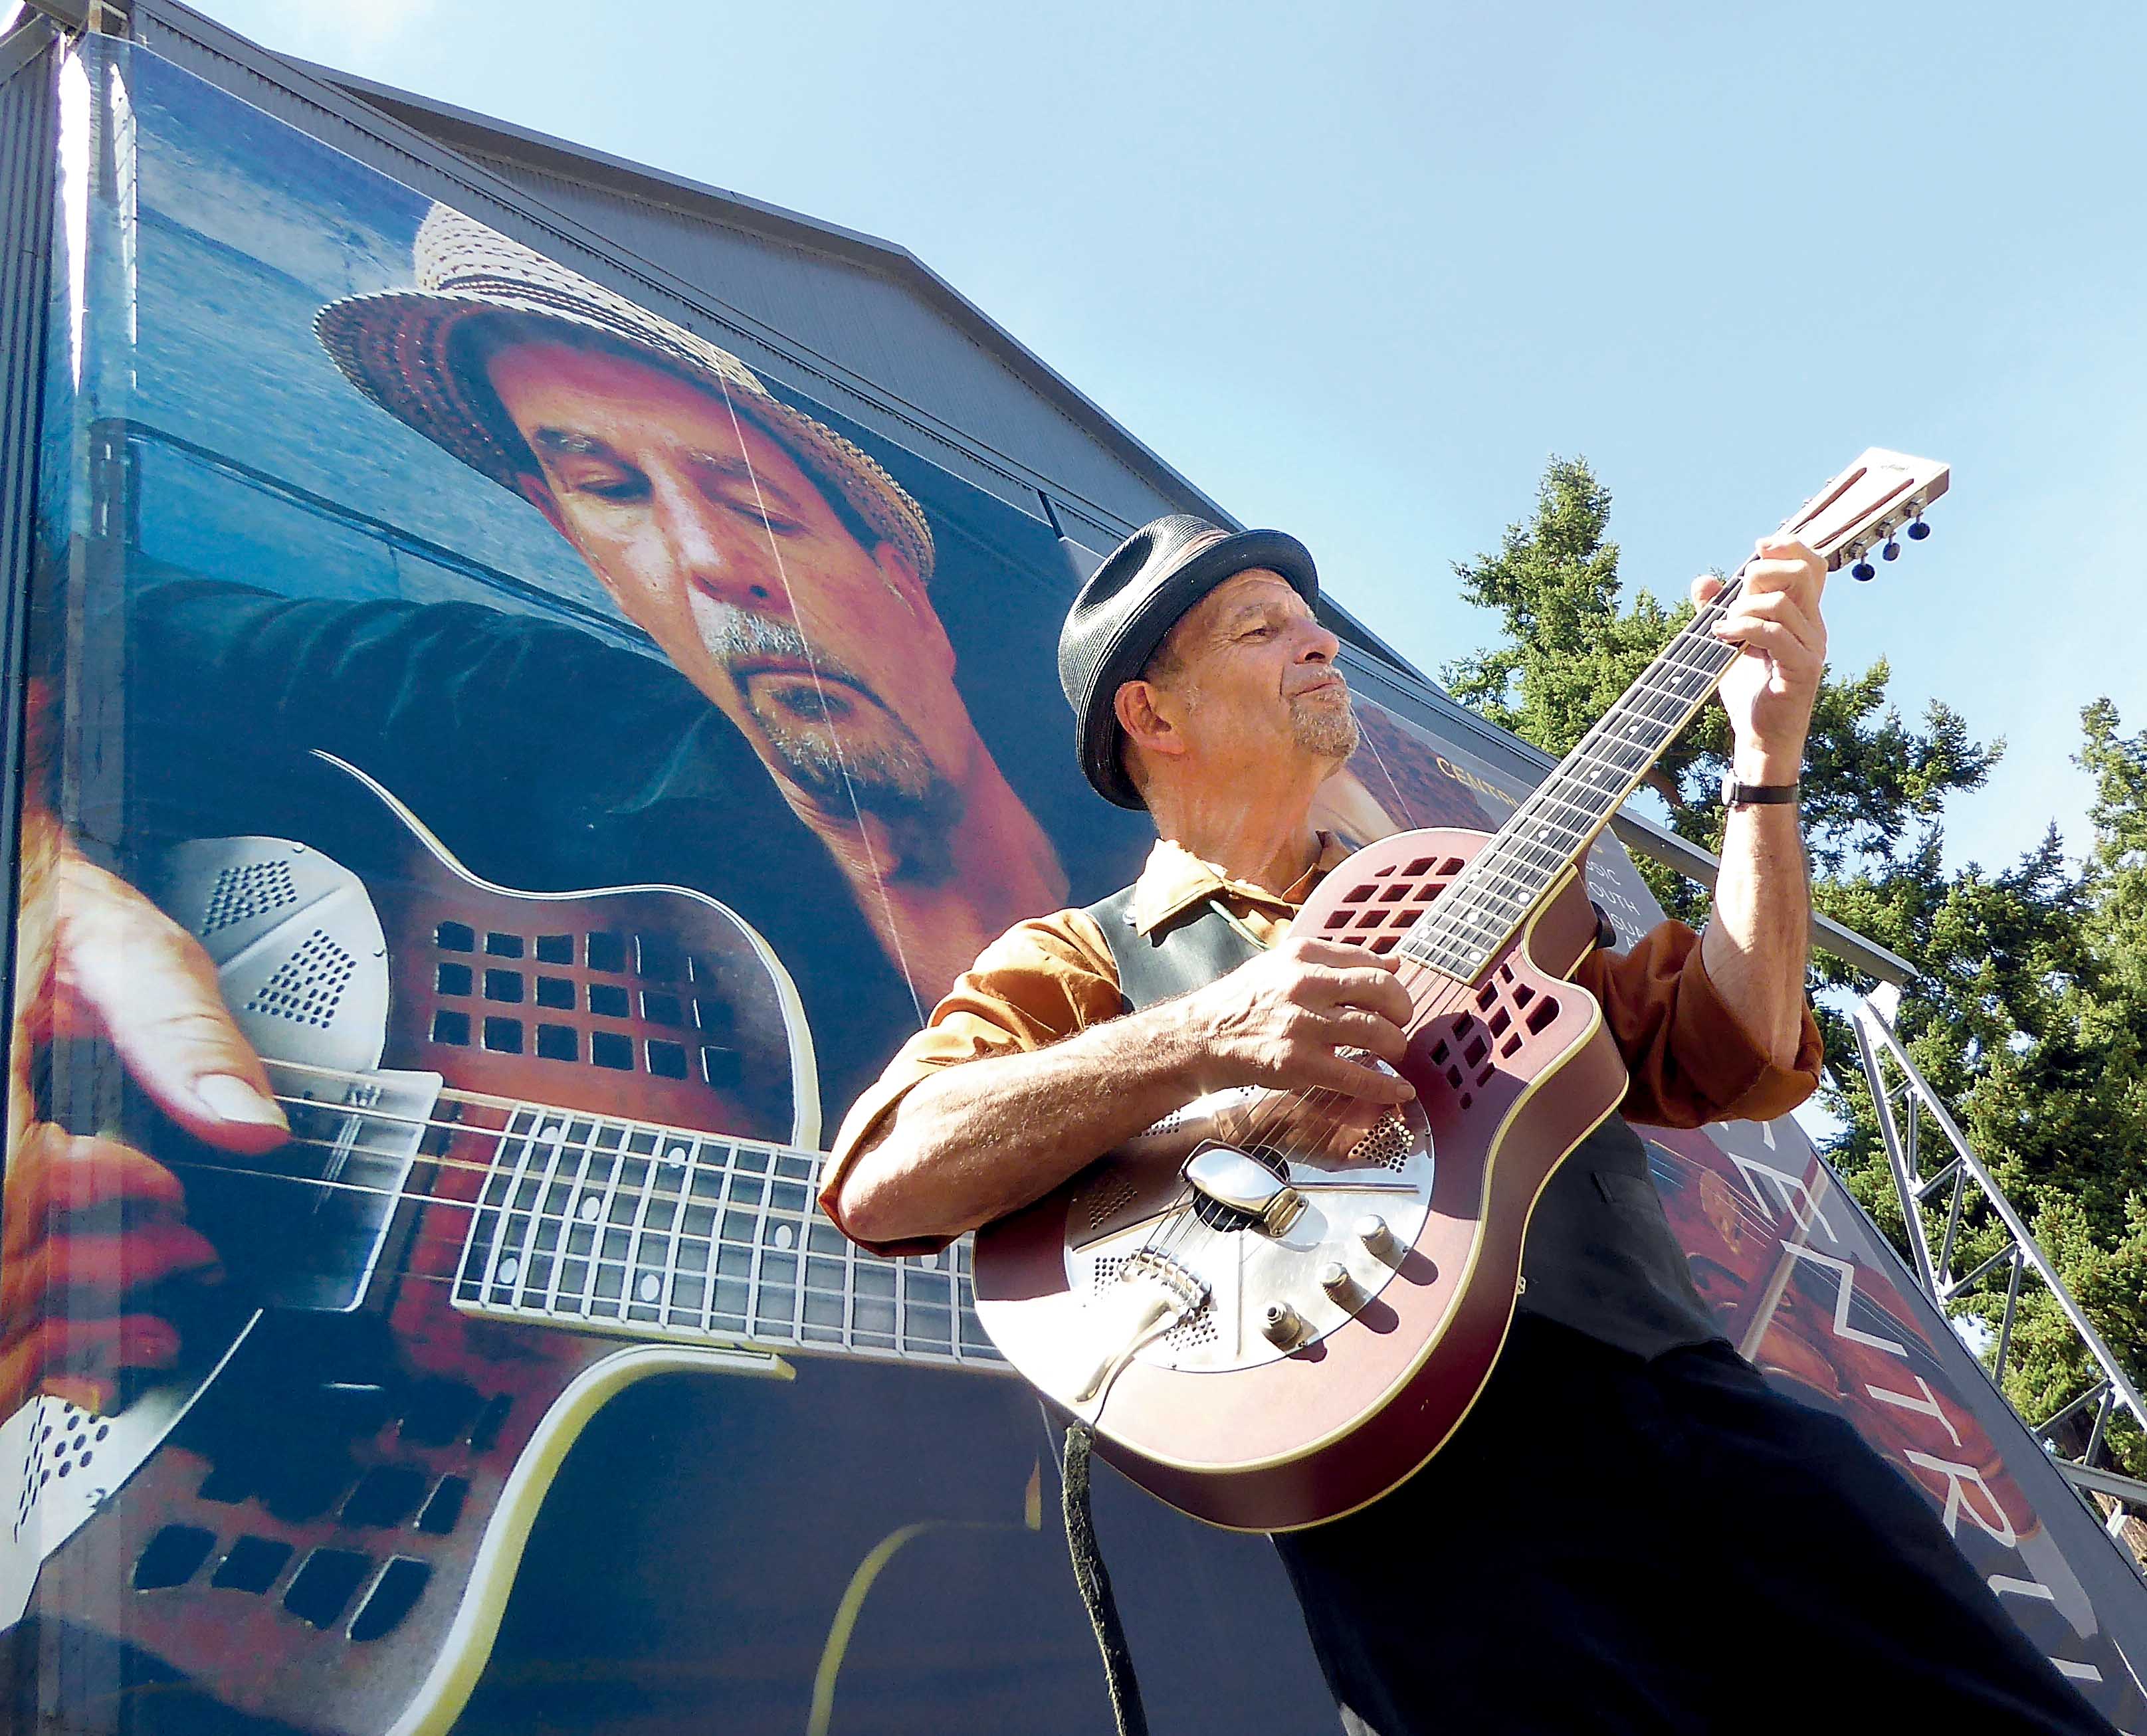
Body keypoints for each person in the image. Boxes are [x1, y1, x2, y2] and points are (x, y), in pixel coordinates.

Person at [817, 514, 2119, 1733]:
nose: (1318, 638)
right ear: (1152, 713)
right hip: (1422, 1516)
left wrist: (1761, 766)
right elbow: (885, 1171)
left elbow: (1728, 1043)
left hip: (1686, 1405)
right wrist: (1205, 1034)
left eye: (1307, 617)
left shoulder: (1456, 874)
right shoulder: (1077, 958)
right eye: (1261, 628)